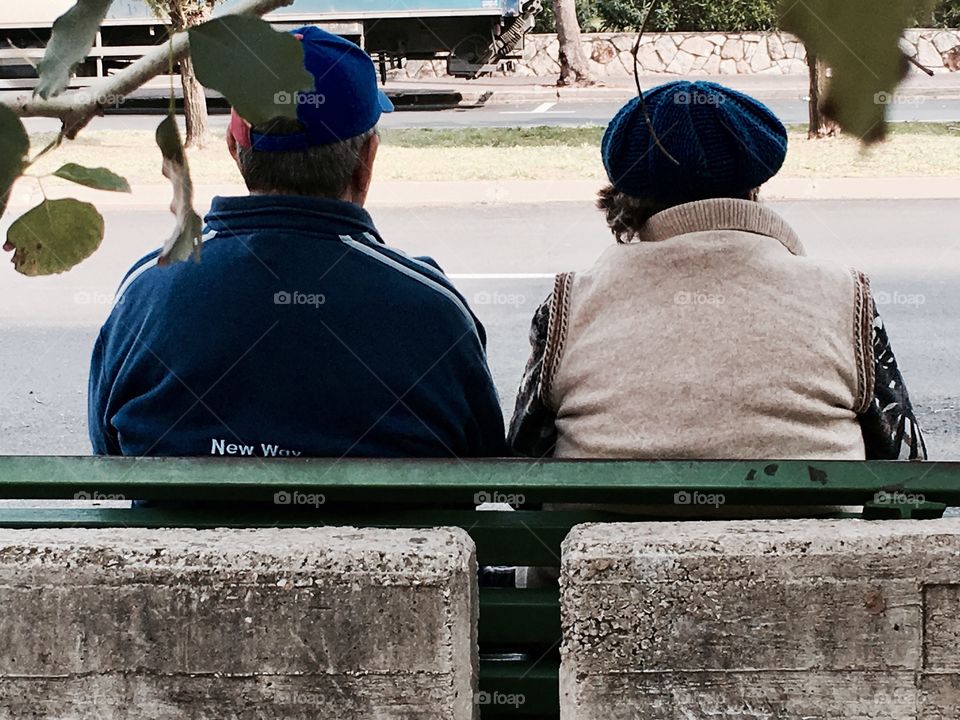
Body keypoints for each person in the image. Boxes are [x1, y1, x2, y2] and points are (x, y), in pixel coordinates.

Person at [88, 27, 505, 459]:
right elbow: (486, 466)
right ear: (367, 160)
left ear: (234, 148)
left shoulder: (145, 294)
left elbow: (108, 451)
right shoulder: (434, 311)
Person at [509, 80, 925, 462]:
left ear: (625, 197)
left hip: (602, 544)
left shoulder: (569, 306)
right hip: (815, 541)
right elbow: (909, 474)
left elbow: (524, 463)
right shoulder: (844, 296)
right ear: (755, 184)